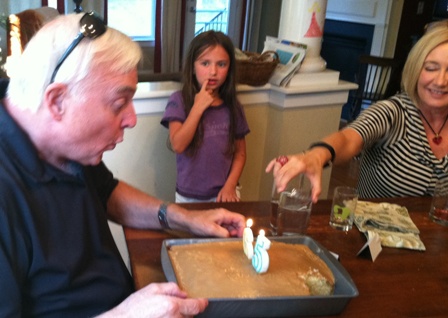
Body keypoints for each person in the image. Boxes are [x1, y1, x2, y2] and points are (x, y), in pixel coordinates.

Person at [0, 13, 246, 317]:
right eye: (119, 104)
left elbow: (107, 193)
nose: (131, 119)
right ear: (57, 101)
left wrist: (186, 219)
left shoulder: (71, 147)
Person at [266, 26, 448, 202]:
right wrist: (317, 155)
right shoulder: (393, 113)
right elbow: (349, 138)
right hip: (375, 231)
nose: (440, 81)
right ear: (416, 70)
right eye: (431, 68)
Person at [161, 31, 250, 203]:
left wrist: (230, 186)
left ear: (229, 68)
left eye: (221, 64)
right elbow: (178, 145)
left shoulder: (233, 106)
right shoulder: (178, 100)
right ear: (193, 67)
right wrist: (198, 107)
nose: (213, 72)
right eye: (205, 63)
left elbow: (240, 153)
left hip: (224, 193)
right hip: (189, 197)